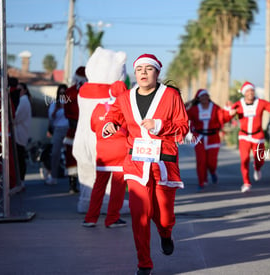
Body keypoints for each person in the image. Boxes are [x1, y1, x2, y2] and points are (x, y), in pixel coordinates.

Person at [103, 54, 189, 275]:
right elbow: (114, 114)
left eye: (148, 69)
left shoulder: (170, 96)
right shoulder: (125, 97)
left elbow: (183, 127)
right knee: (140, 213)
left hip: (164, 163)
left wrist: (159, 124)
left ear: (157, 73)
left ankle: (165, 232)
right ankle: (144, 263)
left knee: (164, 215)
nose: (143, 72)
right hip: (135, 163)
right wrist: (111, 124)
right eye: (139, 68)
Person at [81, 91, 128, 228]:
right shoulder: (125, 107)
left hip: (103, 153)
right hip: (120, 153)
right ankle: (112, 219)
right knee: (117, 188)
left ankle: (90, 218)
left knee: (99, 186)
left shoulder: (99, 107)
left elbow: (93, 127)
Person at [226, 81, 270, 193]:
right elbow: (228, 113)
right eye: (248, 91)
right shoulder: (239, 104)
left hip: (258, 135)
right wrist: (231, 113)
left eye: (252, 90)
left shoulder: (260, 102)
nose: (250, 93)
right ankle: (246, 182)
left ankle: (257, 167)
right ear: (244, 93)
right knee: (244, 160)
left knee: (260, 159)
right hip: (244, 136)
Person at [187, 89, 228, 191]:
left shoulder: (215, 108)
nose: (204, 98)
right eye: (202, 96)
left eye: (206, 96)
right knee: (201, 161)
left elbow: (224, 117)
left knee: (211, 162)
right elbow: (183, 115)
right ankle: (201, 182)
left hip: (213, 138)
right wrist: (185, 105)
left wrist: (229, 111)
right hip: (199, 138)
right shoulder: (194, 109)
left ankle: (213, 172)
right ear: (198, 99)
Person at [64, 66, 87, 194]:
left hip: (72, 128)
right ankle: (86, 184)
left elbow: (65, 111)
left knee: (71, 156)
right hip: (86, 130)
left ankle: (72, 185)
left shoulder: (68, 92)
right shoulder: (90, 92)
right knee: (86, 156)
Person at [46, 84, 69, 185]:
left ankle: (72, 179)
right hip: (58, 129)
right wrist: (57, 109)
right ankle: (53, 176)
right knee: (55, 153)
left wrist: (66, 107)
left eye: (64, 93)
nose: (62, 95)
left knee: (71, 154)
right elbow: (51, 118)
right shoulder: (54, 103)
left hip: (68, 129)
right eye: (60, 93)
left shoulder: (70, 103)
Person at [13, 83, 32, 186]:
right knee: (20, 157)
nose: (18, 92)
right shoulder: (23, 101)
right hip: (20, 133)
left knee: (19, 158)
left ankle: (21, 180)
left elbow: (16, 118)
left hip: (20, 134)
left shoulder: (24, 101)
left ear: (24, 90)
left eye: (20, 90)